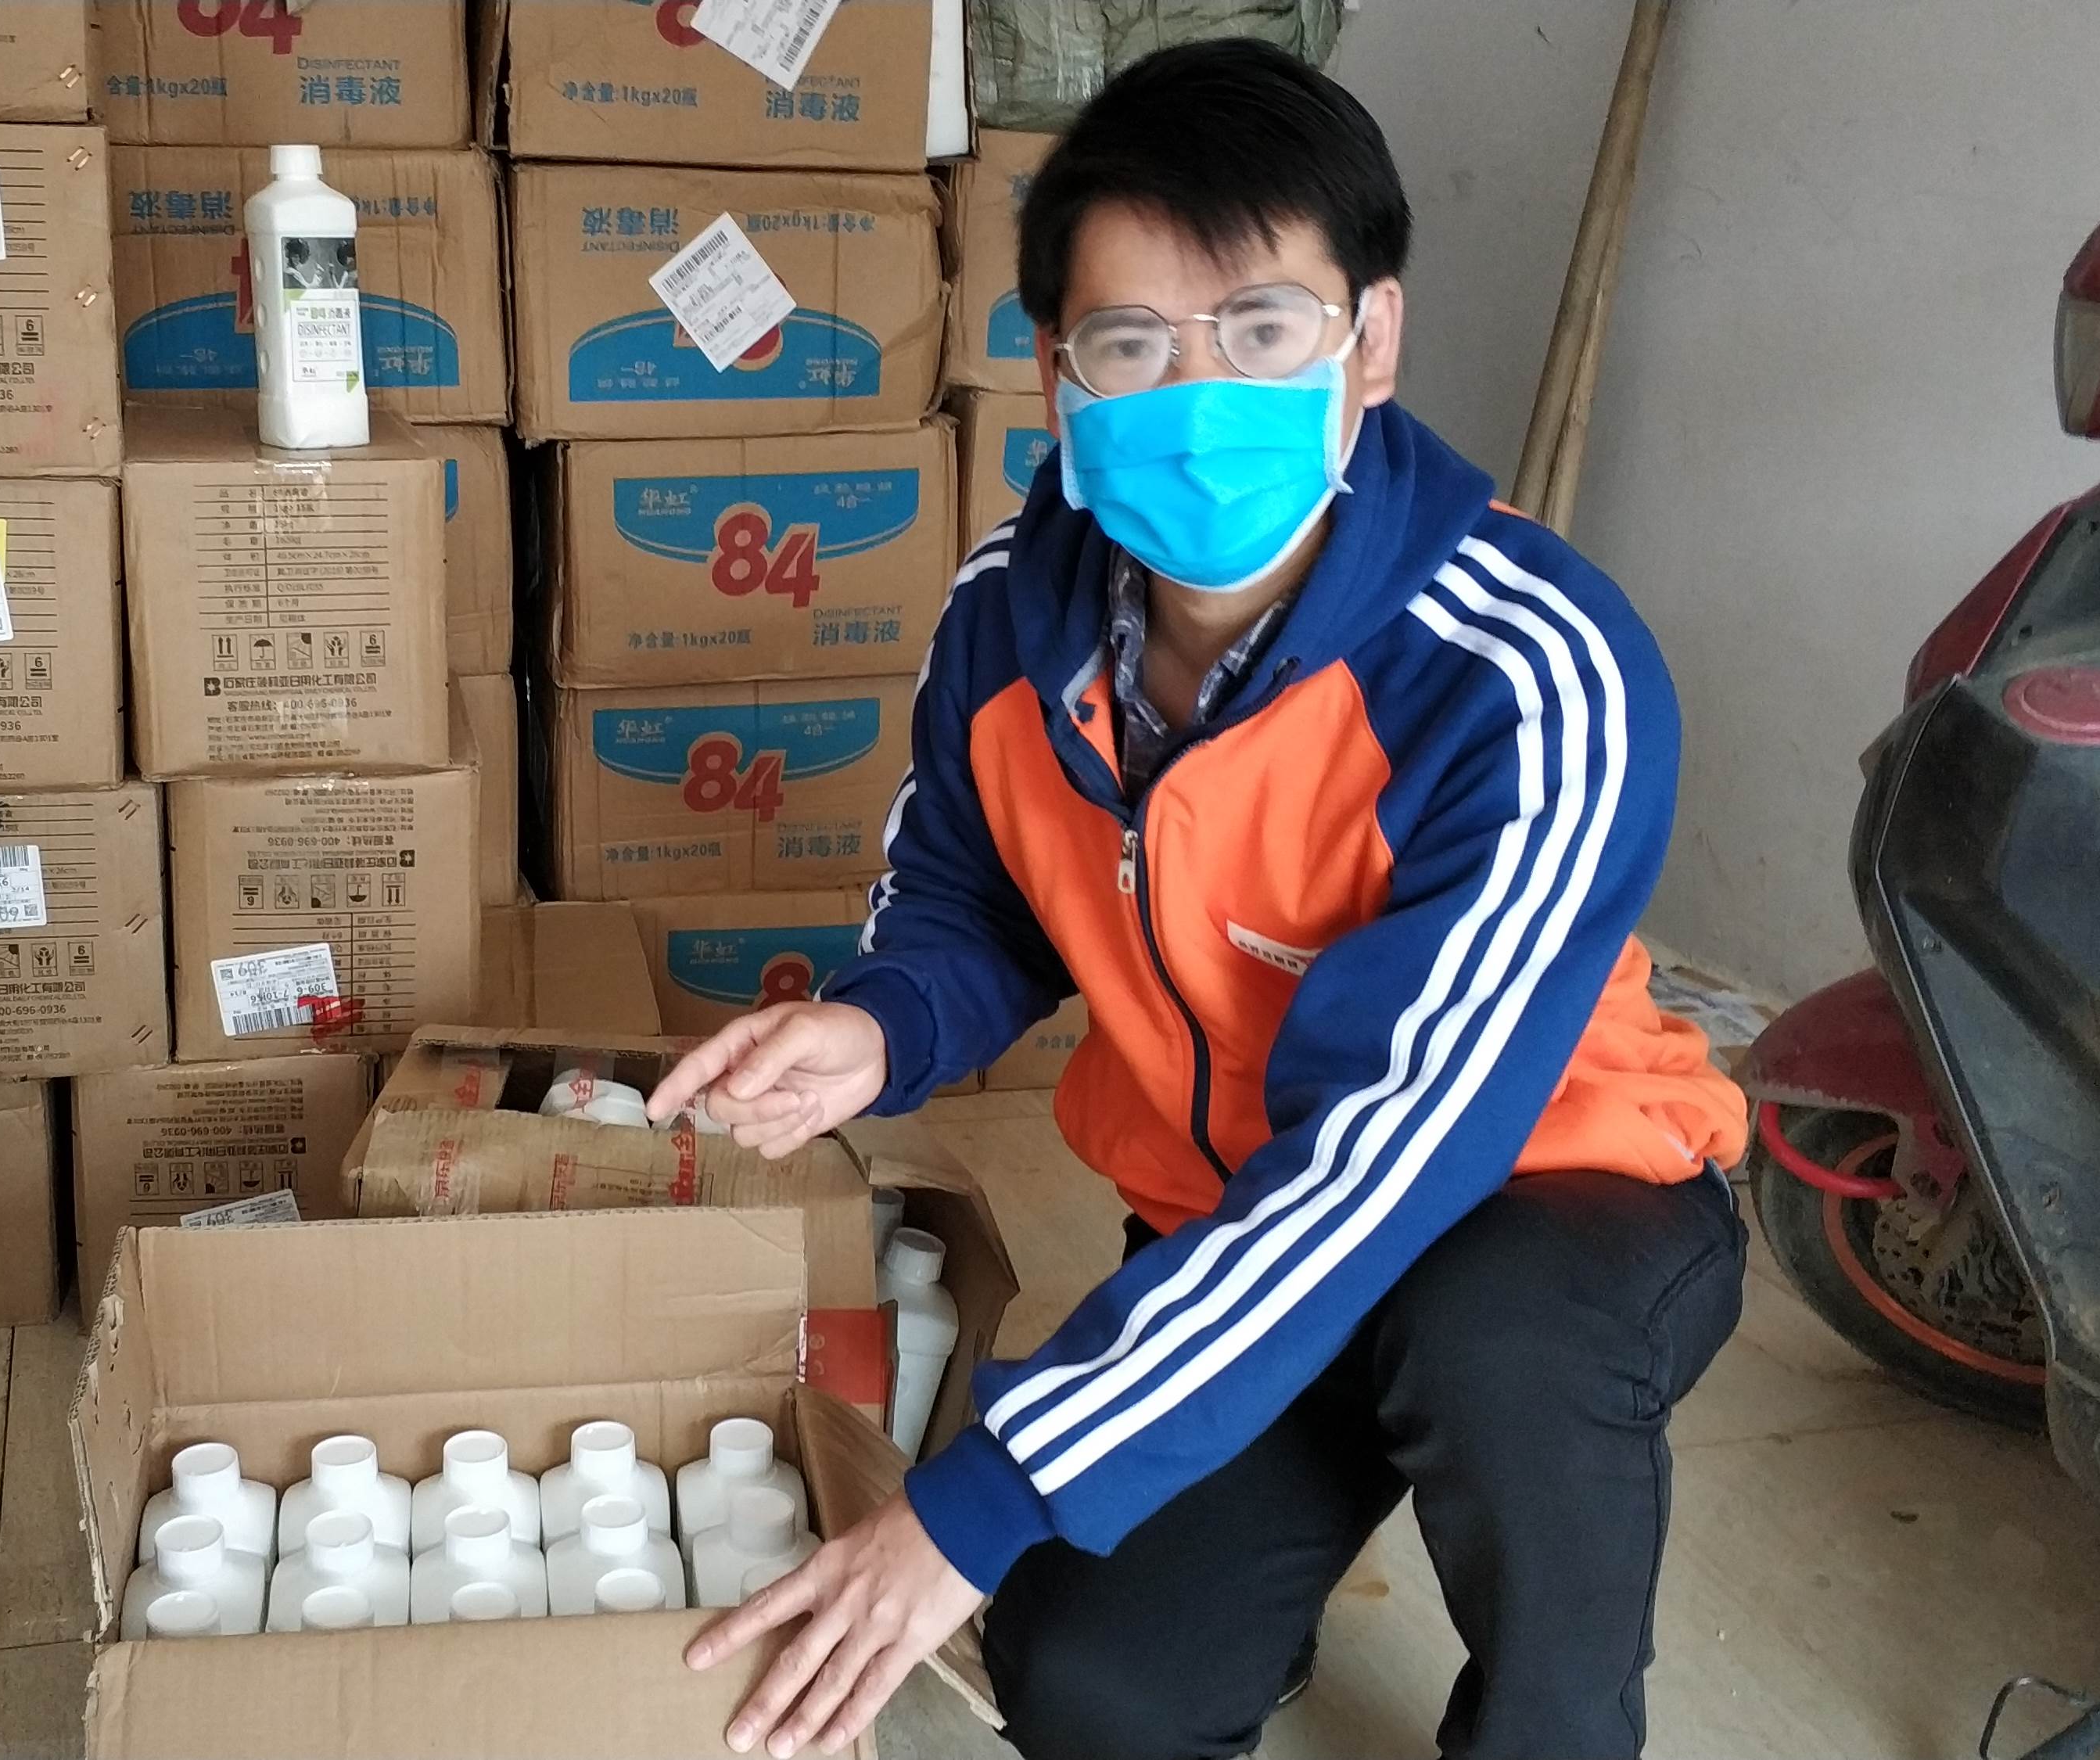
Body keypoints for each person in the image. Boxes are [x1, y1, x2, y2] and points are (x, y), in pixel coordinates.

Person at [650, 38, 1752, 1760]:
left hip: (1542, 1197)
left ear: (1369, 341)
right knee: (1093, 1684)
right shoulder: (1009, 615)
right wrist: (879, 1029)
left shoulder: (1530, 674)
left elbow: (1390, 1156)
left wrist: (980, 1498)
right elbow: (970, 895)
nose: (1195, 389)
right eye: (1130, 344)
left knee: (1492, 1351)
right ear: (1055, 377)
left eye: (1259, 329)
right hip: (1230, 1208)